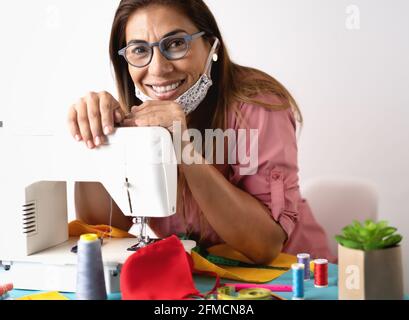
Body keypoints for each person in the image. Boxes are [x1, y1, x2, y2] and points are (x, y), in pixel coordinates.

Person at [67, 0, 335, 264]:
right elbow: (104, 230)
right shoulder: (137, 119)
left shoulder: (258, 103)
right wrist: (99, 138)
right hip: (202, 282)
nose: (158, 68)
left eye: (175, 44)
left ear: (211, 44)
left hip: (296, 277)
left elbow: (265, 245)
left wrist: (184, 147)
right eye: (139, 50)